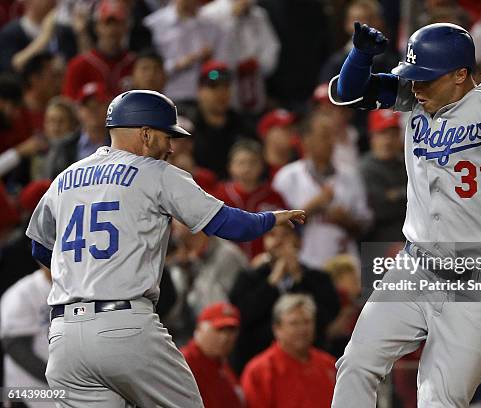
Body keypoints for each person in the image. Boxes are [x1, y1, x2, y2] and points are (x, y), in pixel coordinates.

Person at [328, 21, 481, 407]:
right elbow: (348, 91)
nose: (416, 86)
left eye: (426, 78)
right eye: (413, 76)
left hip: (479, 280)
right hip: (414, 267)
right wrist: (361, 56)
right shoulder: (414, 98)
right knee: (356, 363)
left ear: (460, 75)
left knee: (440, 399)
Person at [25, 89, 305, 407]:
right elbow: (228, 224)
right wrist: (272, 219)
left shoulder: (64, 178)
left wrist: (82, 272)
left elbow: (39, 248)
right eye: (166, 136)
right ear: (145, 133)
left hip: (64, 337)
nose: (171, 148)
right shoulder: (155, 172)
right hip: (125, 326)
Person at [229, 223, 339, 374]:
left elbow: (325, 317)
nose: (278, 241)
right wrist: (272, 282)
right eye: (272, 235)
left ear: (299, 241)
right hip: (257, 366)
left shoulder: (319, 279)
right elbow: (242, 315)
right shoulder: (249, 278)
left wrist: (299, 279)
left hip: (309, 366)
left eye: (286, 235)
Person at [272, 111, 372, 269]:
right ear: (306, 140)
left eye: (333, 136)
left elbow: (365, 223)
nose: (331, 142)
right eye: (325, 136)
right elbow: (276, 228)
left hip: (345, 265)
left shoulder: (350, 175)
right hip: (303, 264)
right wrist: (312, 207)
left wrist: (346, 220)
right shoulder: (287, 177)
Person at [240, 294, 337, 408]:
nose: (302, 329)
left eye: (307, 322)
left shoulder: (329, 365)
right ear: (277, 329)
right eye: (294, 323)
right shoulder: (259, 371)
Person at [214, 139, 286, 258]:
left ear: (262, 165)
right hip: (228, 264)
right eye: (241, 163)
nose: (247, 168)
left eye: (252, 162)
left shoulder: (273, 196)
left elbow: (285, 231)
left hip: (265, 263)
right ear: (230, 166)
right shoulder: (219, 194)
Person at [0, 266, 53, 408]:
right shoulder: (23, 292)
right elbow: (15, 346)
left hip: (63, 391)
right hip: (28, 390)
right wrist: (55, 376)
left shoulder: (76, 289)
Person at [61, 0, 135, 100]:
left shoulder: (135, 63)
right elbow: (69, 104)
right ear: (97, 27)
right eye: (107, 23)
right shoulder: (79, 65)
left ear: (126, 27)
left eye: (118, 23)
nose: (113, 29)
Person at [181, 302, 245, 408]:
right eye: (219, 329)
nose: (225, 337)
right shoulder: (184, 363)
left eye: (231, 331)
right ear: (200, 329)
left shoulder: (222, 365)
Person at [359, 109, 407, 242]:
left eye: (393, 134)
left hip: (409, 241)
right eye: (383, 133)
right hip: (377, 244)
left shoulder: (407, 163)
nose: (388, 140)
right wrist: (409, 193)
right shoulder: (365, 167)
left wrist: (395, 195)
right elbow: (380, 209)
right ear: (372, 136)